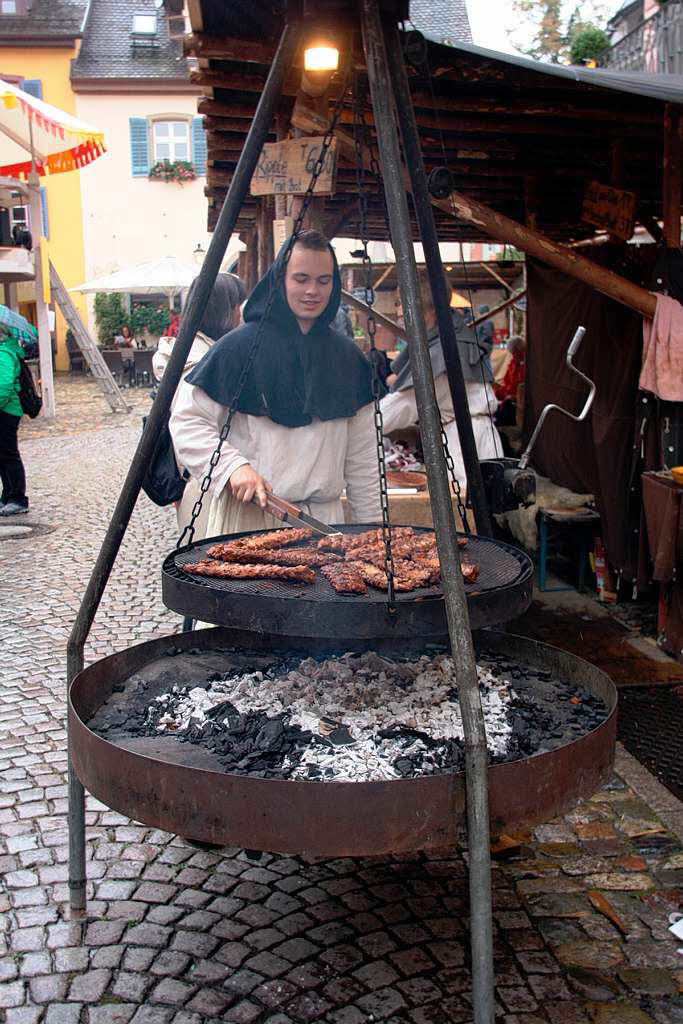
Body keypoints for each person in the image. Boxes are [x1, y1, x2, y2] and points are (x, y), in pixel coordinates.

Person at [170, 230, 381, 538]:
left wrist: (373, 532)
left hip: (323, 522)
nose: (312, 290)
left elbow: (364, 462)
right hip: (250, 521)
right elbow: (188, 423)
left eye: (323, 281)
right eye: (301, 278)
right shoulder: (236, 349)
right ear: (280, 280)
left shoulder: (349, 360)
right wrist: (232, 467)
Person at [379, 277, 503, 491]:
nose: (399, 312)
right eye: (398, 304)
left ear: (430, 310)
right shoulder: (452, 336)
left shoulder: (444, 351)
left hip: (465, 447)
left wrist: (360, 426)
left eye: (404, 304)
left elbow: (403, 405)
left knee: (466, 516)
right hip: (468, 439)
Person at [153, 273, 246, 537]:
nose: (241, 313)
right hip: (207, 483)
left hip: (204, 480)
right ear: (224, 310)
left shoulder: (192, 352)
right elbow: (189, 429)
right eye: (237, 305)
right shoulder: (199, 362)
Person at [0, 331, 29, 516]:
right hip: (5, 409)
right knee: (2, 455)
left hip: (7, 410)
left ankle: (18, 498)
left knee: (9, 454)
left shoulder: (4, 353)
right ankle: (8, 495)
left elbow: (4, 385)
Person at [494, 334, 526, 428]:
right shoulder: (514, 363)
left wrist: (510, 396)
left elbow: (520, 387)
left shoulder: (526, 364)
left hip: (516, 402)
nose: (513, 355)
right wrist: (497, 393)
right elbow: (507, 383)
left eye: (513, 352)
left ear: (518, 350)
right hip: (508, 398)